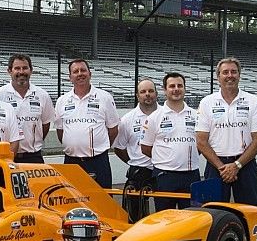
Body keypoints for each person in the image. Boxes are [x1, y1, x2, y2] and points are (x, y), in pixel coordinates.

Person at [196, 57, 257, 206]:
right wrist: (222, 167)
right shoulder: (207, 102)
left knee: (250, 211)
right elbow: (201, 141)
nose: (230, 75)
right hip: (216, 166)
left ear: (239, 75)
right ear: (218, 77)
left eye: (234, 72)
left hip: (245, 165)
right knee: (213, 213)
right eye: (225, 72)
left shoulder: (252, 101)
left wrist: (236, 166)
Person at [54, 59, 119, 188]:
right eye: (75, 71)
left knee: (102, 201)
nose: (80, 74)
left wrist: (100, 147)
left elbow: (113, 130)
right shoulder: (62, 101)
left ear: (90, 73)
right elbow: (61, 131)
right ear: (70, 77)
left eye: (83, 70)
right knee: (71, 202)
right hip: (71, 161)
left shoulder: (105, 97)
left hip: (98, 161)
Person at [141, 73, 199, 211]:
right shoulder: (154, 117)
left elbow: (200, 145)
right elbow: (145, 148)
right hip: (164, 177)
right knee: (165, 222)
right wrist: (166, 160)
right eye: (172, 86)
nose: (176, 89)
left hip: (191, 175)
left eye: (180, 86)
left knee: (192, 220)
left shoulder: (196, 115)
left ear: (185, 89)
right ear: (165, 90)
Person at [0, 53, 55, 163]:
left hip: (33, 156)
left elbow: (46, 124)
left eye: (25, 68)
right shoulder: (0, 95)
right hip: (7, 157)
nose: (21, 72)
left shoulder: (42, 95)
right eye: (17, 68)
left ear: (31, 70)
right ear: (9, 71)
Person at [114, 78, 157, 221]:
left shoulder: (166, 113)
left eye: (151, 91)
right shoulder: (127, 119)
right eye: (143, 92)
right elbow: (119, 148)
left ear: (156, 93)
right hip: (139, 171)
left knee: (164, 213)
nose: (147, 94)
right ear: (138, 96)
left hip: (164, 170)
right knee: (136, 217)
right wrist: (134, 161)